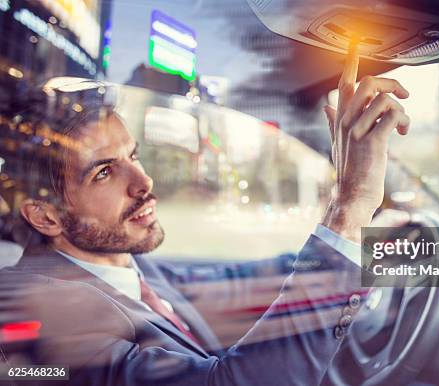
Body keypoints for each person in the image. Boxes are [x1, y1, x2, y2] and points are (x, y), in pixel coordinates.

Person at [0, 45, 411, 385]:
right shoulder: (37, 308)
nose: (143, 182)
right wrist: (350, 208)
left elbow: (250, 280)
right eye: (104, 172)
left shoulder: (130, 269)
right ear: (45, 217)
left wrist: (402, 252)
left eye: (134, 156)